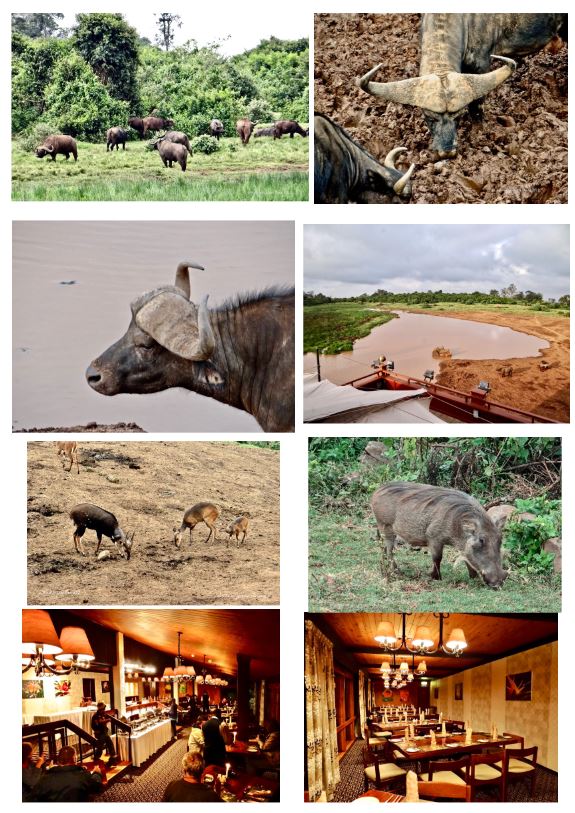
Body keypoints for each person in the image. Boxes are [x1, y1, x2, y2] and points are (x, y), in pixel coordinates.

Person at [28, 745, 104, 802]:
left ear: (58, 761)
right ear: (75, 759)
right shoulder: (83, 776)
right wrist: (97, 774)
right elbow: (98, 788)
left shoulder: (44, 779)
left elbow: (32, 798)